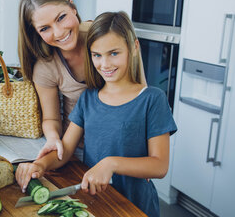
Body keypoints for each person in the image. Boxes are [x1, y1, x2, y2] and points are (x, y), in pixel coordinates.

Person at [15, 11, 177, 217]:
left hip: (135, 206)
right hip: (96, 203)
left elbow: (159, 165)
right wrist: (39, 165)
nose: (105, 64)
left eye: (114, 53)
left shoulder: (152, 99)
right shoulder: (88, 99)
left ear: (134, 48)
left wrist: (111, 163)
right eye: (97, 55)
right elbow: (64, 149)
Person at [18, 0, 146, 161]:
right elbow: (51, 119)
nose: (59, 32)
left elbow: (141, 93)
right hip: (76, 150)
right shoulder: (45, 66)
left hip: (123, 147)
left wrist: (142, 145)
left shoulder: (109, 36)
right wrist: (54, 139)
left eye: (61, 17)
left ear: (72, 6)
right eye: (45, 28)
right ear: (36, 33)